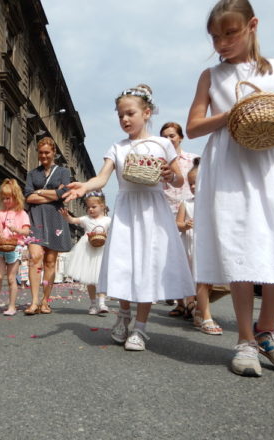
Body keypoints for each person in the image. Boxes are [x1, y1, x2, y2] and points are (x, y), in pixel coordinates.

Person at [186, 0, 274, 376]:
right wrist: (234, 113)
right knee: (240, 242)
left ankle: (268, 330)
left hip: (273, 160)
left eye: (230, 33)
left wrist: (272, 120)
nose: (222, 42)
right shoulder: (211, 75)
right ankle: (244, 338)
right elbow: (193, 125)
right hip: (230, 164)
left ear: (252, 25)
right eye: (215, 36)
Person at [64, 84, 195, 351]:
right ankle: (123, 315)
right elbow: (102, 177)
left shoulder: (163, 144)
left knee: (148, 266)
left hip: (153, 210)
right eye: (120, 115)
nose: (125, 119)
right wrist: (85, 186)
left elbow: (178, 177)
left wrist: (171, 176)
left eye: (130, 113)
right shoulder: (118, 147)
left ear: (146, 113)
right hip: (126, 210)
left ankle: (141, 327)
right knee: (124, 263)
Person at [24, 137, 72, 315]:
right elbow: (28, 196)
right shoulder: (32, 174)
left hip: (55, 219)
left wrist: (40, 192)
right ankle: (34, 301)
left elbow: (65, 193)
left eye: (47, 152)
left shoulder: (63, 172)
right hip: (35, 218)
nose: (43, 155)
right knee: (35, 257)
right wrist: (53, 193)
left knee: (50, 261)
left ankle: (45, 301)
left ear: (53, 153)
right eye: (41, 152)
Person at [176, 159, 222, 335]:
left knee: (207, 283)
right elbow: (177, 224)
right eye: (191, 183)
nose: (194, 187)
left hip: (208, 244)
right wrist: (185, 224)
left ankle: (198, 311)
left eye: (197, 182)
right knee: (200, 281)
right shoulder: (186, 204)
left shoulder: (213, 202)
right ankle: (206, 317)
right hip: (192, 246)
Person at [160, 122, 197, 313]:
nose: (168, 140)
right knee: (171, 259)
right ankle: (182, 303)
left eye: (172, 136)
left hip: (188, 211)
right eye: (164, 136)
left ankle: (191, 300)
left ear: (180, 137)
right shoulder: (156, 161)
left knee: (189, 257)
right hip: (165, 214)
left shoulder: (192, 159)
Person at [60, 192, 112, 315]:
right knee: (90, 278)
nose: (90, 209)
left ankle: (102, 302)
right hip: (88, 250)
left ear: (102, 206)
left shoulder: (108, 220)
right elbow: (73, 220)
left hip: (102, 250)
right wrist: (66, 217)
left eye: (93, 207)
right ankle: (93, 303)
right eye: (88, 207)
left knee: (101, 277)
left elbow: (113, 232)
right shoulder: (85, 219)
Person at [0, 179, 31, 316]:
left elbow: (26, 231)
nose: (6, 201)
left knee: (11, 278)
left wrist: (17, 230)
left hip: (15, 247)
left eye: (9, 198)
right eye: (4, 198)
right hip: (1, 246)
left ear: (16, 197)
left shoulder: (22, 214)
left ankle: (12, 306)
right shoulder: (1, 213)